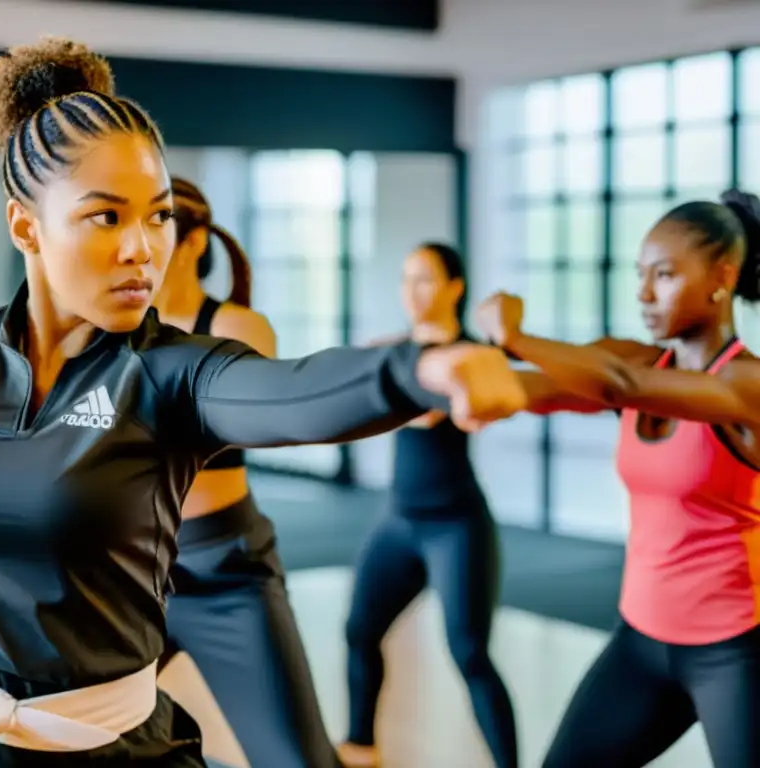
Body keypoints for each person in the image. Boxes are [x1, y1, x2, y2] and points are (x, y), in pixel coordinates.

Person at [0, 36, 526, 768]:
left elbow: (296, 392)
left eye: (158, 216)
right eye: (106, 217)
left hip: (108, 739)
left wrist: (421, 368)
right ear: (26, 226)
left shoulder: (173, 375)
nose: (143, 248)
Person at [476, 190, 760, 768]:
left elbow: (613, 387)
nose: (643, 294)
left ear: (722, 276)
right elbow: (534, 388)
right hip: (640, 642)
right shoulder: (635, 360)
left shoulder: (746, 384)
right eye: (640, 275)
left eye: (664, 275)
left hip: (735, 652)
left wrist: (516, 337)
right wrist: (439, 377)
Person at [152, 177, 340, 767]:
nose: (140, 244)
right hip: (133, 575)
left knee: (296, 761)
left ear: (193, 241)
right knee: (49, 737)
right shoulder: (111, 327)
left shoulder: (238, 329)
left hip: (224, 569)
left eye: (159, 226)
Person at [337, 244, 518, 768]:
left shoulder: (465, 356)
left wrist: (380, 377)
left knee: (469, 654)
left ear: (454, 287)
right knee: (360, 631)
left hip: (455, 527)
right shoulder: (397, 351)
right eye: (405, 279)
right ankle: (359, 747)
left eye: (425, 280)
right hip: (399, 522)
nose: (411, 292)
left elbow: (420, 410)